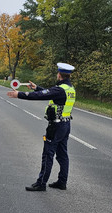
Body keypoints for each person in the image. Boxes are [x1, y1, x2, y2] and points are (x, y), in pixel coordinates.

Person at [7, 63, 76, 191]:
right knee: (62, 155)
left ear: (59, 74)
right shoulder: (69, 89)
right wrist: (37, 87)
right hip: (65, 125)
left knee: (48, 154)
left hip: (55, 126)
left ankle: (41, 183)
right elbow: (49, 93)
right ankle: (62, 182)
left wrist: (20, 94)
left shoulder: (60, 89)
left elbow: (43, 95)